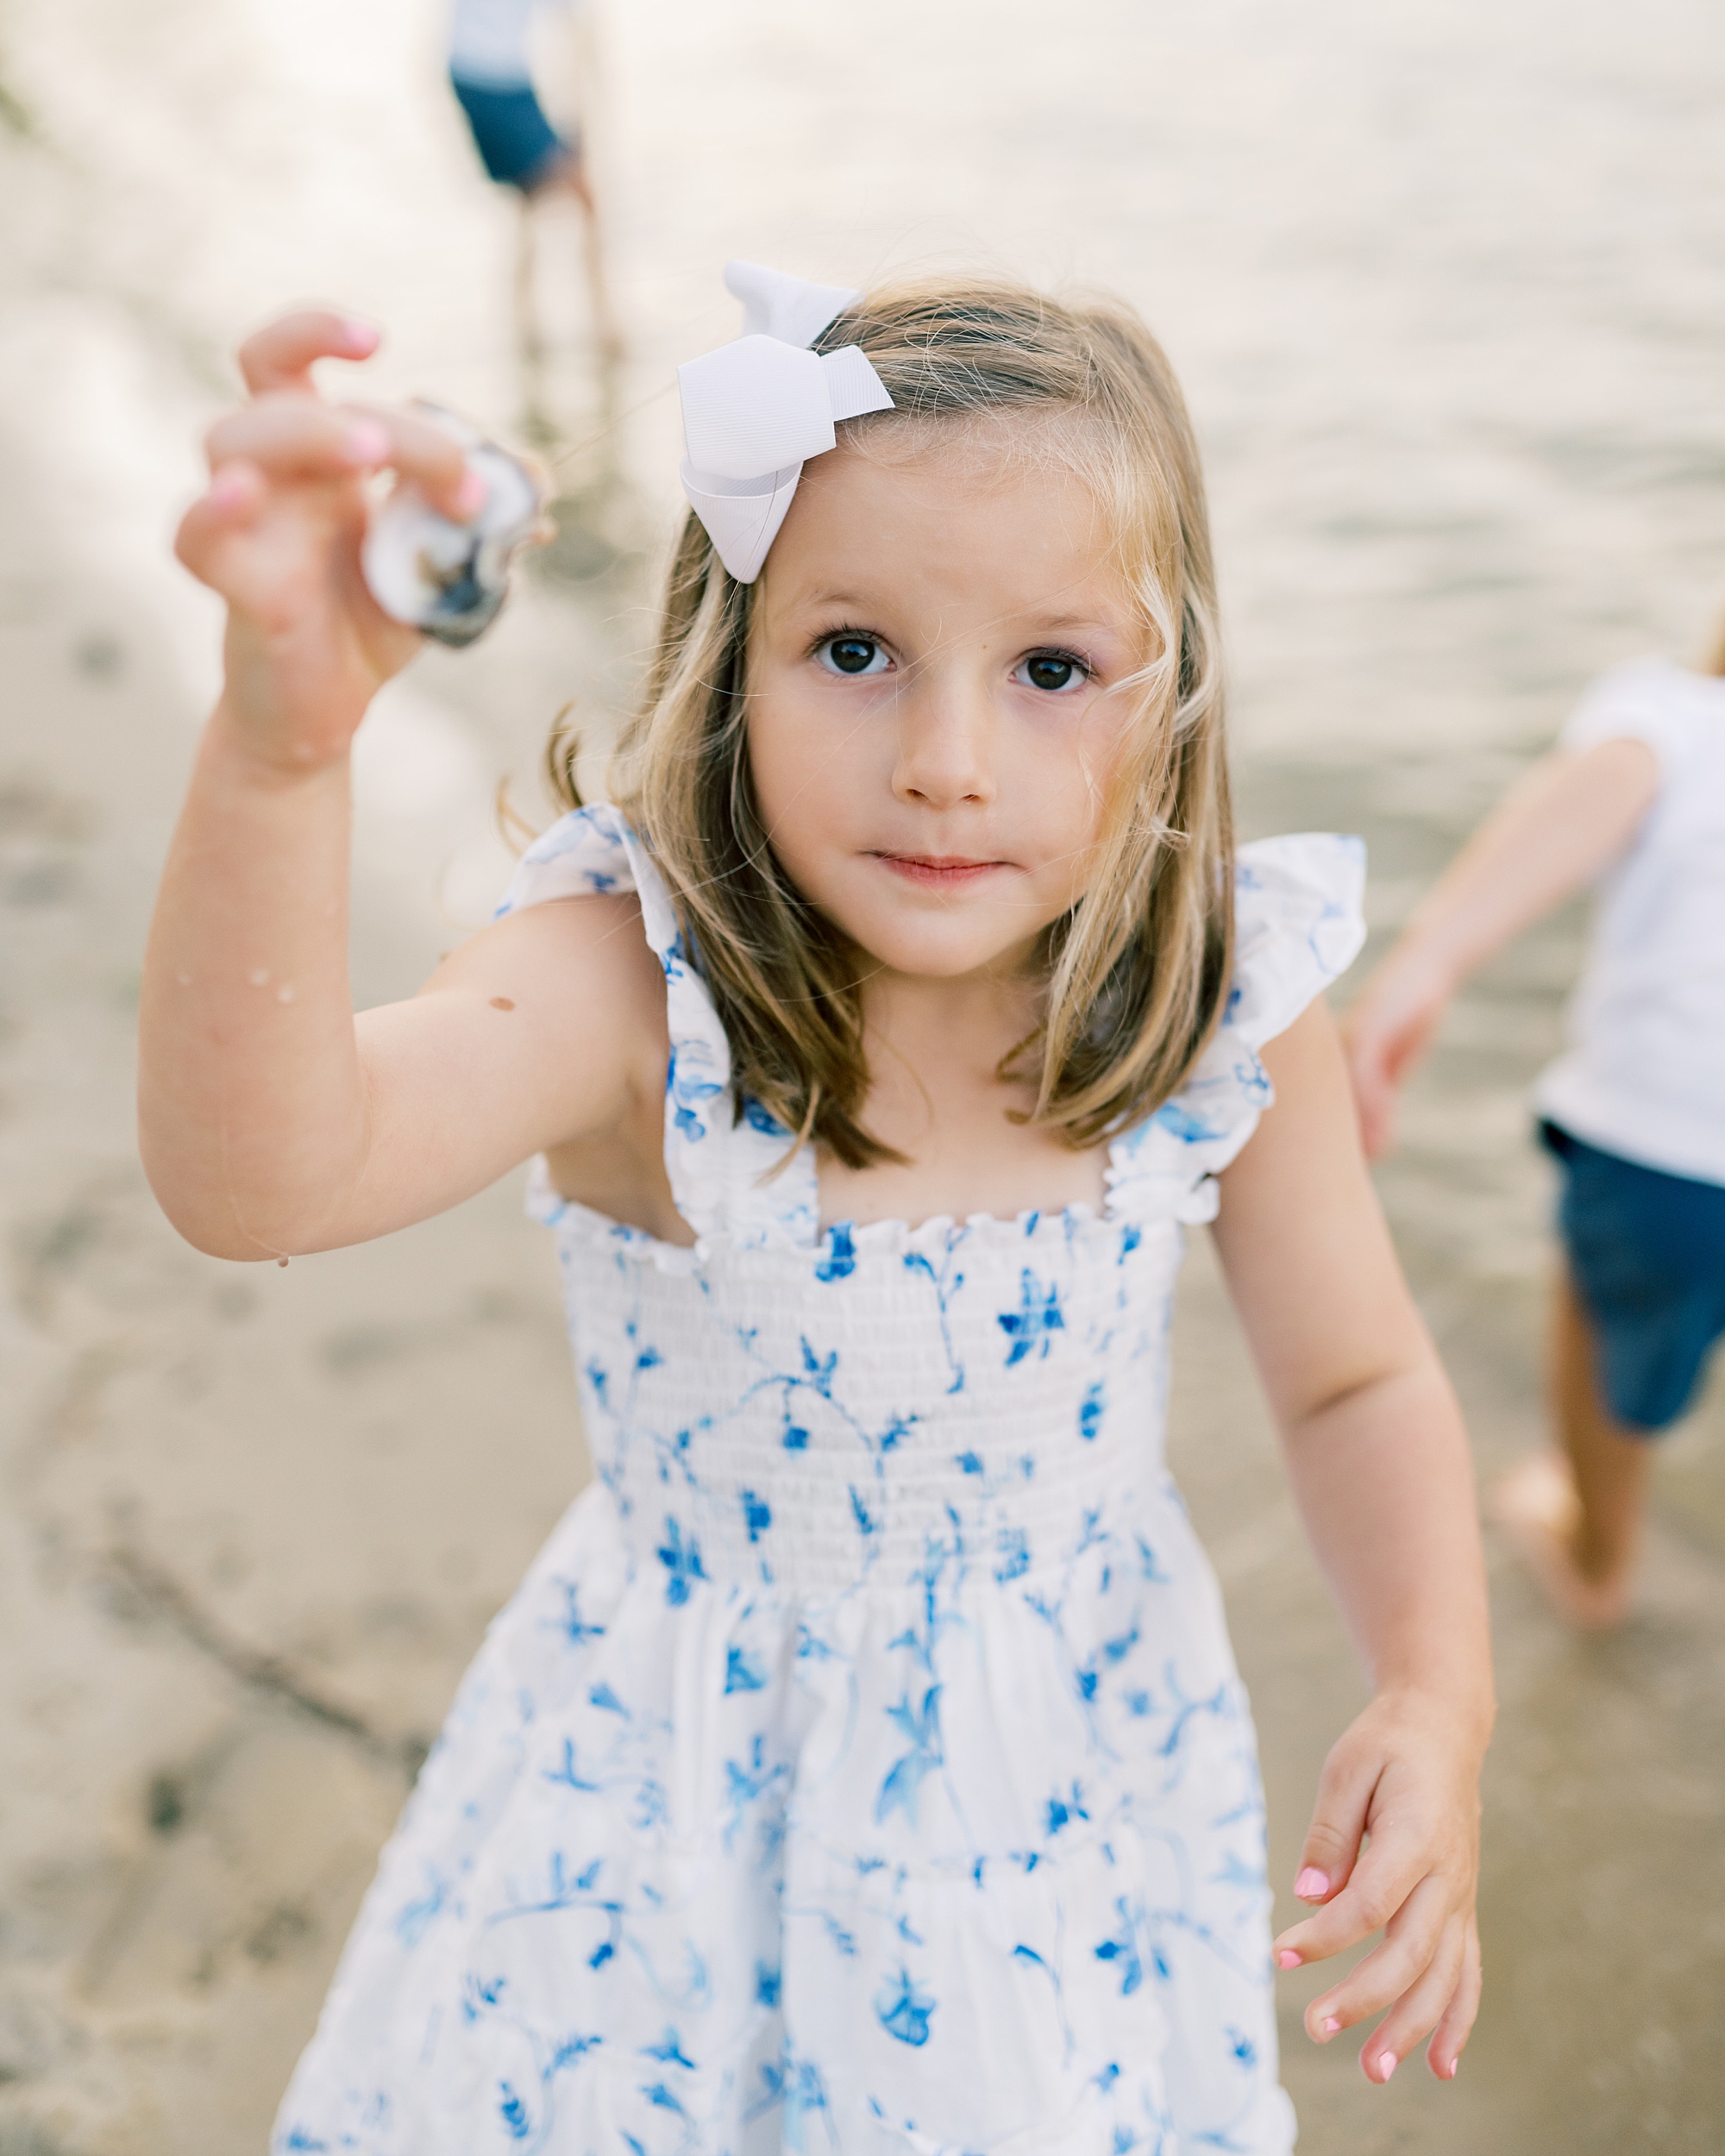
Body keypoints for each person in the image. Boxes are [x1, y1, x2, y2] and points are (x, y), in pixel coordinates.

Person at [151, 268, 1492, 2155]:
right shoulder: (637, 992)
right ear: (731, 647)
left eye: (1047, 668)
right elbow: (259, 1175)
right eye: (857, 648)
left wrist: (1436, 1691)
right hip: (663, 1845)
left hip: (1060, 1832)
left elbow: (1356, 1380)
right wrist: (281, 757)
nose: (948, 755)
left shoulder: (1213, 1006)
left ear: (1168, 689)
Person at [1344, 629, 1725, 1631]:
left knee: (1609, 1341)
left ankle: (1595, 1561)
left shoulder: (1680, 721)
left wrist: (1419, 966)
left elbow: (1582, 801)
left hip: (1671, 1155)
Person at [448, 0, 621, 395]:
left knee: (527, 203)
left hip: (479, 75)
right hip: (497, 79)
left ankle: (526, 328)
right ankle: (605, 324)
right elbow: (579, 42)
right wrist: (583, 125)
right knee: (585, 197)